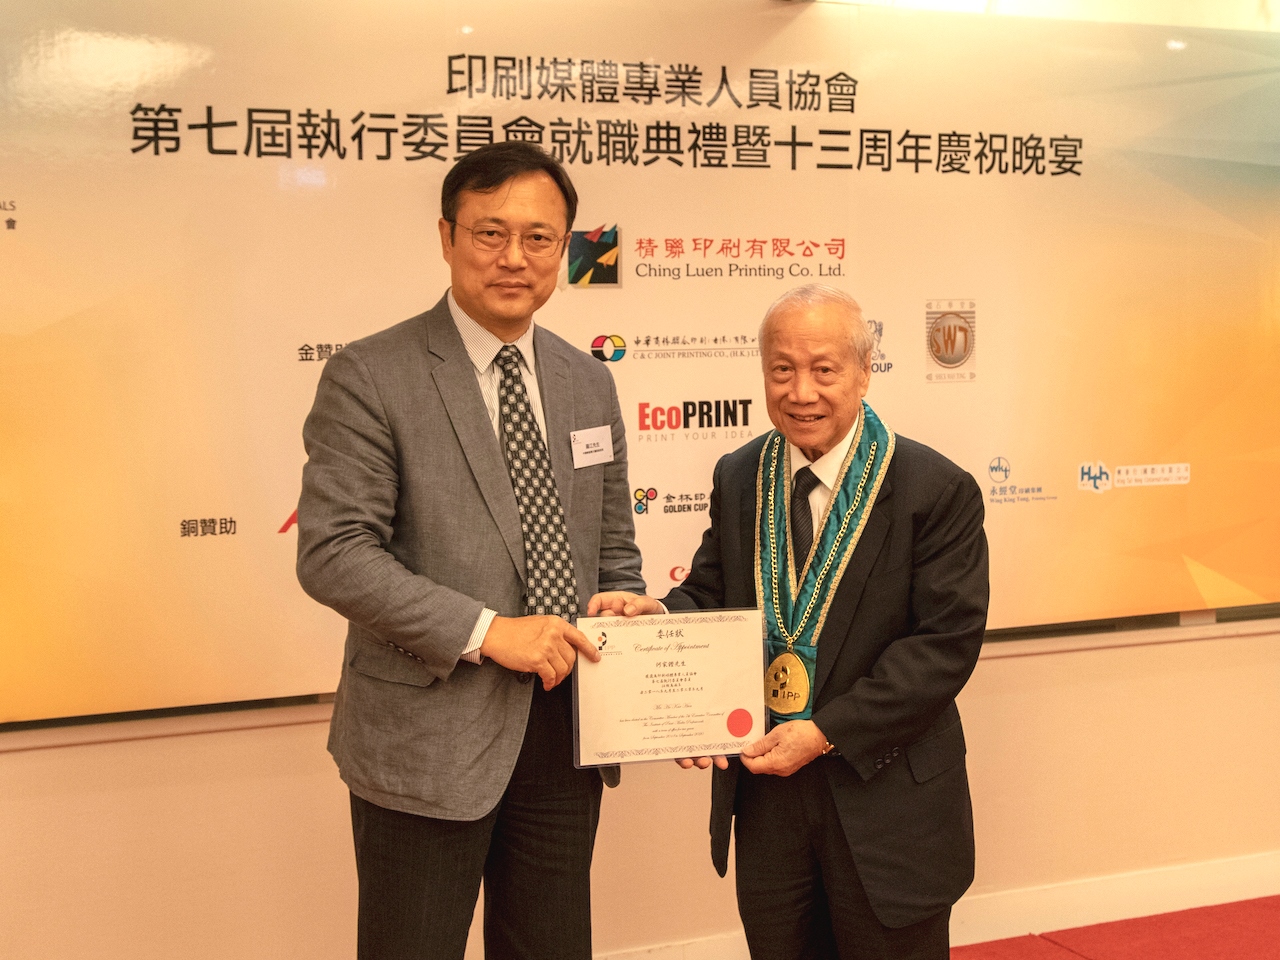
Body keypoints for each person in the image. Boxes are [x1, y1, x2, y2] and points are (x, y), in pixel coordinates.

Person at [296, 140, 648, 960]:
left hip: (566, 730)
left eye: (539, 237)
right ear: (447, 236)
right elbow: (334, 552)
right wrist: (489, 632)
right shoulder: (371, 374)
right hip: (429, 734)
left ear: (565, 249)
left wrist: (626, 603)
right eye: (491, 233)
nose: (515, 258)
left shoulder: (587, 381)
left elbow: (613, 545)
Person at [595, 284, 989, 959]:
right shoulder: (741, 474)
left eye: (823, 369)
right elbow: (713, 592)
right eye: (782, 369)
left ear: (864, 372)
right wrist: (657, 617)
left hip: (885, 799)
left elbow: (943, 647)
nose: (801, 391)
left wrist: (827, 731)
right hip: (769, 796)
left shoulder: (934, 488)